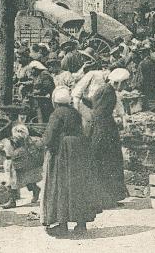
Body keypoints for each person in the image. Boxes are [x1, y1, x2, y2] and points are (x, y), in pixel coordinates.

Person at [40, 87, 101, 236]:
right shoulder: (74, 112)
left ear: (55, 102)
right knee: (78, 185)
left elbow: (49, 137)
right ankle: (81, 224)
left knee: (62, 185)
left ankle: (62, 225)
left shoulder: (56, 113)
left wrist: (44, 143)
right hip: (79, 149)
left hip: (64, 151)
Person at [82, 73, 127, 209]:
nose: (124, 86)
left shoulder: (104, 89)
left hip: (102, 128)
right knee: (108, 163)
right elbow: (100, 112)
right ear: (118, 82)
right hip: (104, 130)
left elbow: (92, 104)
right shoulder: (108, 92)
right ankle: (106, 199)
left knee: (106, 164)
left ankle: (107, 198)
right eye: (123, 83)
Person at [0, 124, 42, 209]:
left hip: (17, 161)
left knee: (14, 180)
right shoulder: (18, 136)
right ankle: (35, 190)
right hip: (17, 160)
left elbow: (10, 151)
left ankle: (12, 201)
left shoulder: (15, 138)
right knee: (21, 179)